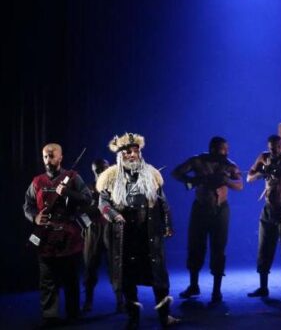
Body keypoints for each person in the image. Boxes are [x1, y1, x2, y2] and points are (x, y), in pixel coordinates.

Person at [97, 133, 179, 328]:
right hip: (125, 236)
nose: (132, 155)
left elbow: (163, 202)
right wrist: (114, 215)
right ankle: (133, 318)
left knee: (159, 277)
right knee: (128, 278)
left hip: (148, 234)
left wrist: (167, 224)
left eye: (135, 151)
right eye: (128, 152)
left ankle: (164, 316)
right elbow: (103, 203)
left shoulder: (152, 174)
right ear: (120, 155)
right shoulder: (110, 177)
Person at [23, 143, 91, 327]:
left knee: (70, 280)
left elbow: (87, 199)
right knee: (47, 281)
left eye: (52, 156)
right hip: (45, 238)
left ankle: (73, 314)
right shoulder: (37, 181)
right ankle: (50, 316)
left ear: (60, 157)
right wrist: (35, 217)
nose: (48, 160)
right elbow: (27, 205)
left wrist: (68, 192)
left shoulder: (73, 177)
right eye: (45, 156)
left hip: (69, 238)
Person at [172, 136, 243, 303]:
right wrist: (192, 180)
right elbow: (176, 173)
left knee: (219, 249)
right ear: (213, 149)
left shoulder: (229, 165)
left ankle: (216, 291)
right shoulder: (197, 161)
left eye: (227, 149)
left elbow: (240, 185)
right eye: (223, 149)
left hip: (221, 210)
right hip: (200, 209)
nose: (226, 152)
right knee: (195, 247)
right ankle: (193, 286)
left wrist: (226, 181)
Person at [247, 134, 281, 298]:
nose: (275, 151)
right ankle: (263, 287)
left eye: (278, 147)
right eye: (272, 148)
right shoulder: (264, 157)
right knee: (264, 248)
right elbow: (249, 178)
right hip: (269, 209)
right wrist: (262, 172)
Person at [82, 158, 124, 313]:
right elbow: (80, 212)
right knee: (90, 266)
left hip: (112, 230)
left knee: (116, 266)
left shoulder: (116, 188)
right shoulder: (87, 190)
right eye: (97, 170)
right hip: (94, 232)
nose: (101, 172)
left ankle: (120, 301)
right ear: (93, 172)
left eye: (104, 169)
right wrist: (88, 224)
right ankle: (88, 301)